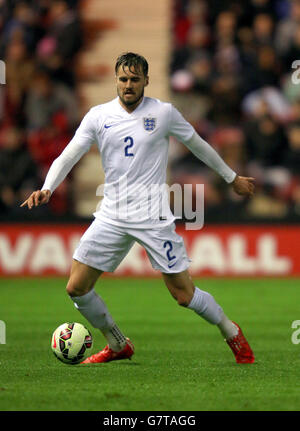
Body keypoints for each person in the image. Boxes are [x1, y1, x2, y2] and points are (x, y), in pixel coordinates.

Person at [21, 52, 255, 364]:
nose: (128, 85)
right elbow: (69, 154)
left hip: (153, 216)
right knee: (76, 288)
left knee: (183, 295)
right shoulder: (98, 116)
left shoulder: (164, 113)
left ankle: (231, 331)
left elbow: (198, 144)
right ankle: (118, 344)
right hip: (112, 215)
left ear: (146, 80)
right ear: (116, 80)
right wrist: (48, 187)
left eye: (134, 79)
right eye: (123, 79)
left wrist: (232, 177)